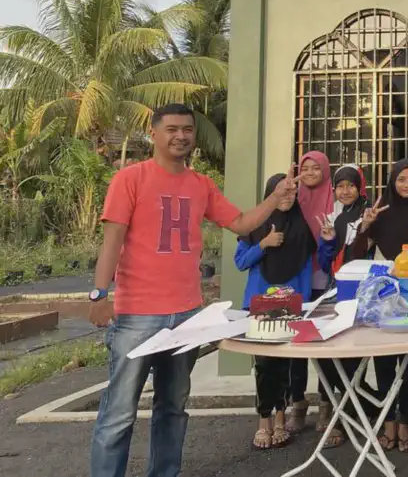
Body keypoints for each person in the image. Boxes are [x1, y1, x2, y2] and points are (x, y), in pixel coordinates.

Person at [89, 103, 298, 477]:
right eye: (171, 129)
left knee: (172, 409)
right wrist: (99, 294)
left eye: (186, 129)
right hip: (137, 313)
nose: (180, 136)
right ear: (153, 133)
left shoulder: (200, 184)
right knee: (119, 413)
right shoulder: (130, 179)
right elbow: (112, 242)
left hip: (187, 315)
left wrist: (275, 197)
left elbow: (240, 222)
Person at [235, 172, 317, 451]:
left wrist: (302, 305)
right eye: (282, 192)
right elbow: (241, 262)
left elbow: (306, 270)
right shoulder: (254, 225)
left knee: (286, 366)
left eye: (292, 193)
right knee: (264, 366)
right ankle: (263, 420)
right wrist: (263, 245)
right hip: (259, 305)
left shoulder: (301, 226)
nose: (287, 198)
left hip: (290, 306)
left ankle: (281, 418)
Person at [363, 158, 408, 453]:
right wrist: (367, 225)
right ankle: (387, 419)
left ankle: (405, 420)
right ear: (392, 181)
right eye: (401, 179)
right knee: (384, 359)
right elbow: (355, 251)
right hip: (384, 293)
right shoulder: (380, 213)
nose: (407, 184)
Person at [316, 165, 388, 449]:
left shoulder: (369, 214)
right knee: (327, 357)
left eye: (350, 186)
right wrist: (328, 241)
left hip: (362, 295)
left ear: (360, 188)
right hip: (335, 295)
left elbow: (360, 256)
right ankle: (369, 407)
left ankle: (348, 418)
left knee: (352, 360)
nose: (345, 191)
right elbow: (326, 263)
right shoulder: (334, 216)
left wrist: (366, 227)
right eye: (340, 186)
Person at [284, 150, 333, 437]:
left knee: (325, 344)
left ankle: (326, 403)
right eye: (307, 168)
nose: (311, 172)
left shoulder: (334, 201)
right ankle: (298, 403)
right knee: (298, 345)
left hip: (325, 280)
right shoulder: (294, 199)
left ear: (326, 171)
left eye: (317, 168)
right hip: (297, 279)